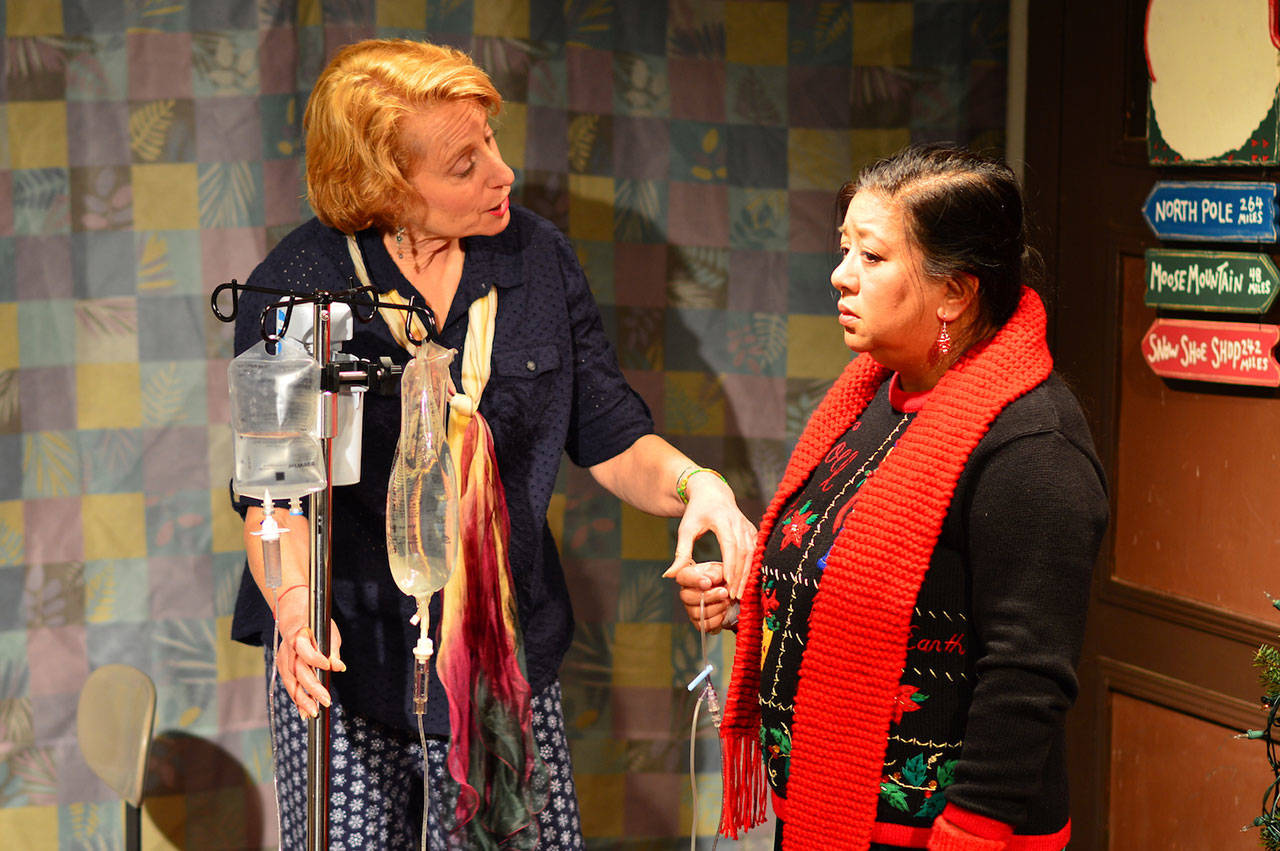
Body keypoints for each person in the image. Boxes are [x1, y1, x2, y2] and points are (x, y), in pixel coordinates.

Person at [228, 38, 756, 850]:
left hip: (501, 659)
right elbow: (272, 497)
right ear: (382, 185)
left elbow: (610, 433)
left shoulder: (535, 259)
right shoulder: (295, 289)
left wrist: (700, 485)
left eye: (492, 144)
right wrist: (296, 604)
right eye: (463, 164)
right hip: (350, 663)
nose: (502, 173)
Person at [670, 144, 1108, 850]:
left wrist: (970, 835)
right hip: (823, 812)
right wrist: (752, 595)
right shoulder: (871, 397)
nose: (840, 277)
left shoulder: (1033, 449)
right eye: (844, 249)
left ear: (956, 292)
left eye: (871, 258)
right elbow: (866, 588)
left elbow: (1025, 678)